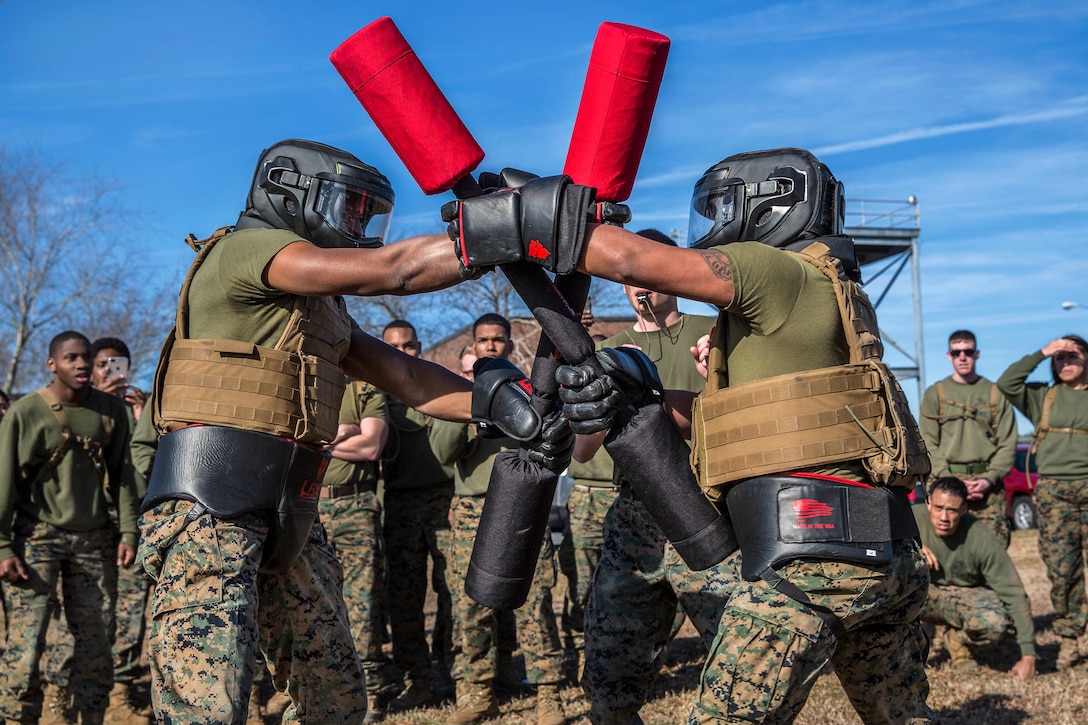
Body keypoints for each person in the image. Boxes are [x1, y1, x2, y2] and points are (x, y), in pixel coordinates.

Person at [447, 147, 935, 723]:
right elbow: (761, 415)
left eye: (720, 206)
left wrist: (522, 212)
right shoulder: (829, 287)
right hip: (876, 543)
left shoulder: (775, 269)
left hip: (813, 555)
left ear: (773, 204)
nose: (711, 226)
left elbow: (626, 260)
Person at [136, 138, 479, 724]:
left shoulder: (322, 308)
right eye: (349, 207)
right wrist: (504, 234)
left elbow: (408, 377)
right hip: (207, 512)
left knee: (336, 697)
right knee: (207, 707)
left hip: (288, 511)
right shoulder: (249, 249)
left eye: (366, 214)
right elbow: (392, 271)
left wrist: (515, 403)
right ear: (287, 188)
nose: (356, 224)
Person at [571, 229, 725, 723]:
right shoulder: (608, 350)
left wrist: (661, 405)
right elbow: (582, 449)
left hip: (707, 503)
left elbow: (737, 413)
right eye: (630, 279)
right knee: (611, 658)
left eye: (650, 275)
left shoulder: (716, 331)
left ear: (670, 275)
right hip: (634, 512)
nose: (641, 287)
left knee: (736, 646)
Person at [430, 313, 565, 725]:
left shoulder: (529, 391)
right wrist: (475, 404)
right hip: (471, 508)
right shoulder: (457, 391)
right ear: (472, 347)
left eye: (498, 340)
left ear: (509, 344)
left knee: (535, 602)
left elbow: (553, 445)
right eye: (483, 340)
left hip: (522, 503)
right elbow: (441, 453)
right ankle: (477, 693)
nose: (490, 346)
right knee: (470, 606)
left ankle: (547, 696)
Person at [0, 330, 139, 724]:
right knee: (26, 645)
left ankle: (91, 716)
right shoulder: (25, 412)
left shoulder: (111, 411)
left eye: (85, 358)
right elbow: (3, 481)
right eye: (71, 358)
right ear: (52, 364)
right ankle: (17, 718)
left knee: (96, 640)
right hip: (36, 536)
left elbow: (124, 475)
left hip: (95, 537)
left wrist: (128, 532)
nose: (80, 365)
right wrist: (2, 547)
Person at [379, 320, 457, 711]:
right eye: (394, 346)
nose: (403, 352)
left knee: (451, 593)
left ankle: (448, 671)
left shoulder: (436, 384)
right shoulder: (377, 396)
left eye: (409, 346)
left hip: (444, 500)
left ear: (420, 346)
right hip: (400, 504)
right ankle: (417, 678)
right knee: (405, 598)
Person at [998, 334, 1088, 670]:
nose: (1066, 364)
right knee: (1063, 571)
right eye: (1059, 359)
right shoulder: (1043, 397)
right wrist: (1043, 351)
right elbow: (1008, 382)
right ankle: (1070, 639)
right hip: (1054, 493)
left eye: (1073, 356)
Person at [317, 377, 389, 722]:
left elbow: (371, 446)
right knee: (311, 604)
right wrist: (343, 434)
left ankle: (368, 692)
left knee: (362, 603)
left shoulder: (363, 389)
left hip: (356, 504)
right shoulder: (305, 383)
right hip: (308, 507)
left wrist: (320, 441)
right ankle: (319, 691)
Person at [915, 476, 1036, 679]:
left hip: (964, 596)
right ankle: (906, 649)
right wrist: (912, 548)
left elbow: (1014, 593)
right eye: (938, 508)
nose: (944, 517)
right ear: (928, 503)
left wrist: (1029, 656)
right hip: (922, 592)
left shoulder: (980, 536)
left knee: (995, 622)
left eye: (952, 510)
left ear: (964, 509)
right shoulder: (908, 521)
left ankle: (957, 640)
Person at [920, 330, 1017, 546]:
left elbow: (1008, 443)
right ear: (949, 356)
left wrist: (988, 479)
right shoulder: (935, 394)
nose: (962, 357)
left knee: (993, 547)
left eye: (968, 351)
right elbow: (928, 443)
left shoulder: (995, 393)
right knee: (943, 547)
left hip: (987, 487)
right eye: (957, 353)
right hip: (948, 482)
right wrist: (950, 479)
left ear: (977, 354)